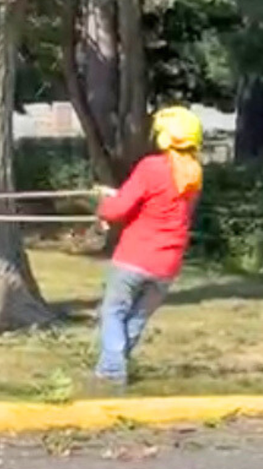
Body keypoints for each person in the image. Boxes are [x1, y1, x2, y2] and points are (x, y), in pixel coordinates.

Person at [92, 105, 203, 387]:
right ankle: (113, 365)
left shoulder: (152, 167)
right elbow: (170, 209)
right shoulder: (194, 174)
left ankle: (112, 371)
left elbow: (119, 209)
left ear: (164, 136)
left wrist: (104, 207)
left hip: (135, 256)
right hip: (167, 264)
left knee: (114, 311)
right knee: (136, 317)